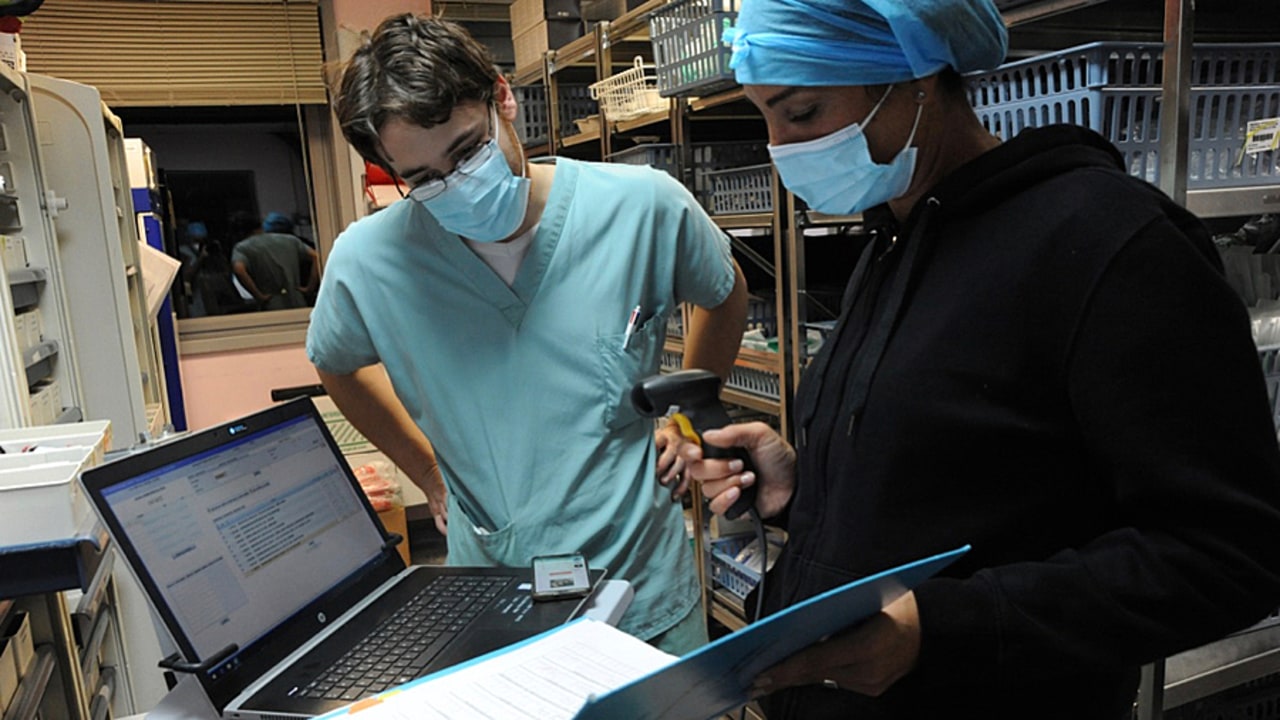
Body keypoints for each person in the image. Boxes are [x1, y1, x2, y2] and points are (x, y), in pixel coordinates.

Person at [679, 1, 1280, 717]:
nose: (781, 150)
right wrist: (801, 493)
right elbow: (968, 489)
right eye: (764, 118)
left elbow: (1232, 555)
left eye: (803, 112)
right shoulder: (892, 243)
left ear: (917, 81)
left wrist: (941, 630)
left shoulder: (1108, 244)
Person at [306, 14, 749, 654]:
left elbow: (724, 291)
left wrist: (682, 417)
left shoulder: (642, 207)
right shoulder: (371, 262)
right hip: (493, 597)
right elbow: (336, 363)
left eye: (466, 151)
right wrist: (428, 473)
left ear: (502, 97)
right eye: (424, 179)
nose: (457, 187)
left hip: (643, 592)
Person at [231, 210, 320, 310]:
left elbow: (239, 270)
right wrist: (310, 288)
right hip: (298, 301)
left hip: (272, 304)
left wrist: (258, 296)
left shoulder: (243, 248)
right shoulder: (290, 240)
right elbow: (316, 256)